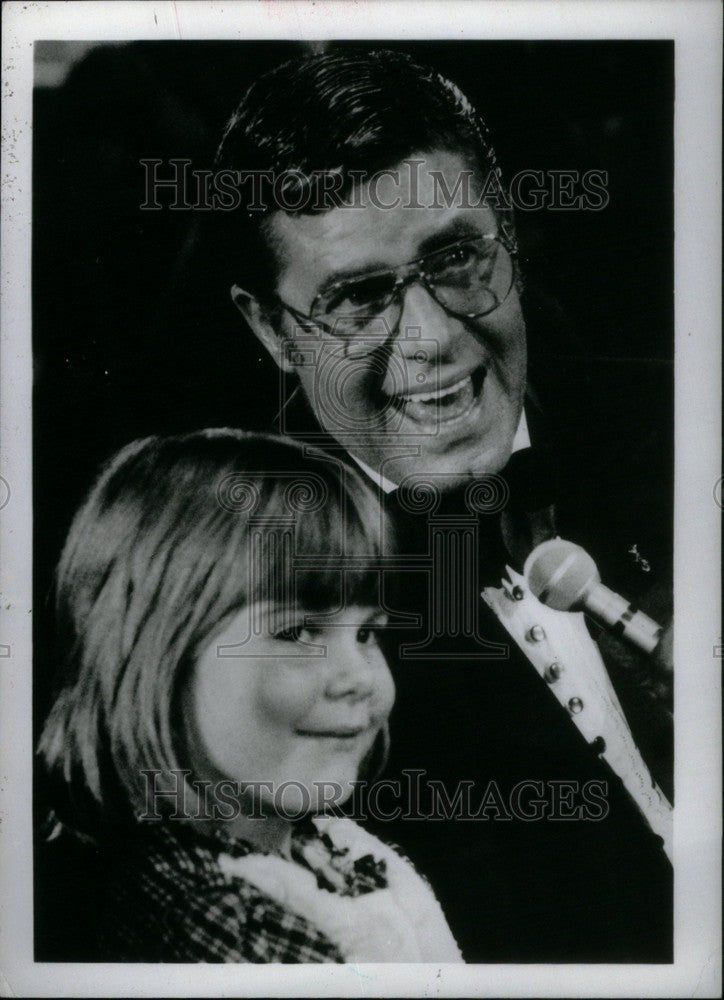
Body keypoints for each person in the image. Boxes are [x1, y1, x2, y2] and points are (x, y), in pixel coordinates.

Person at [212, 48, 674, 961]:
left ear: (509, 233)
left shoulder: (685, 429)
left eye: (456, 256)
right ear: (271, 330)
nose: (428, 338)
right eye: (357, 298)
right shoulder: (260, 636)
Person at [36, 428, 462, 963]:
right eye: (298, 632)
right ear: (157, 655)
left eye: (365, 633)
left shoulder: (324, 851)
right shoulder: (219, 920)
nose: (361, 677)